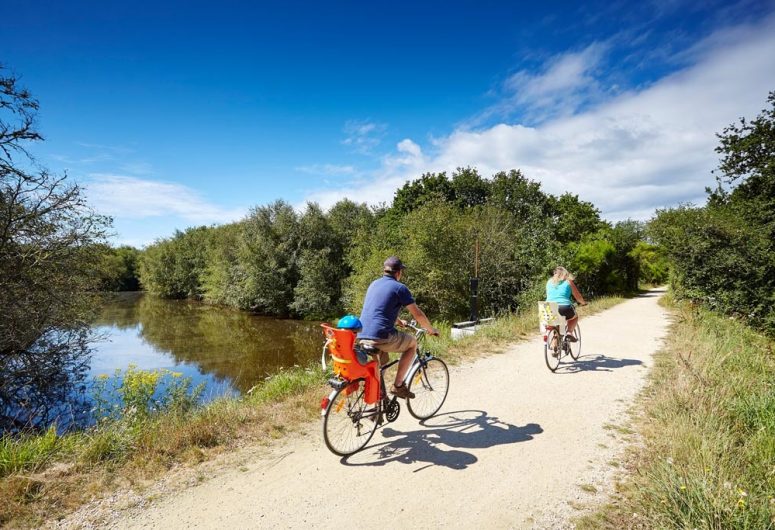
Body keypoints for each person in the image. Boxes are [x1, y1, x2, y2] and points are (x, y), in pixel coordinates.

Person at [357, 256, 439, 399]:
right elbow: (418, 314)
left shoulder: (374, 284)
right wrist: (431, 330)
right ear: (398, 272)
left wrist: (398, 320)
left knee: (381, 366)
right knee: (412, 343)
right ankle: (398, 386)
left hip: (362, 336)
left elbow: (380, 309)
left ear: (385, 270)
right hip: (381, 336)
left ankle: (375, 405)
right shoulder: (400, 288)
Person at [546, 266, 587, 344]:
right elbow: (578, 296)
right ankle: (569, 333)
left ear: (555, 274)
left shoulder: (549, 282)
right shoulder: (568, 282)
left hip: (548, 307)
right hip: (564, 307)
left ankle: (554, 346)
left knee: (557, 322)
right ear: (565, 274)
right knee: (574, 317)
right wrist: (583, 303)